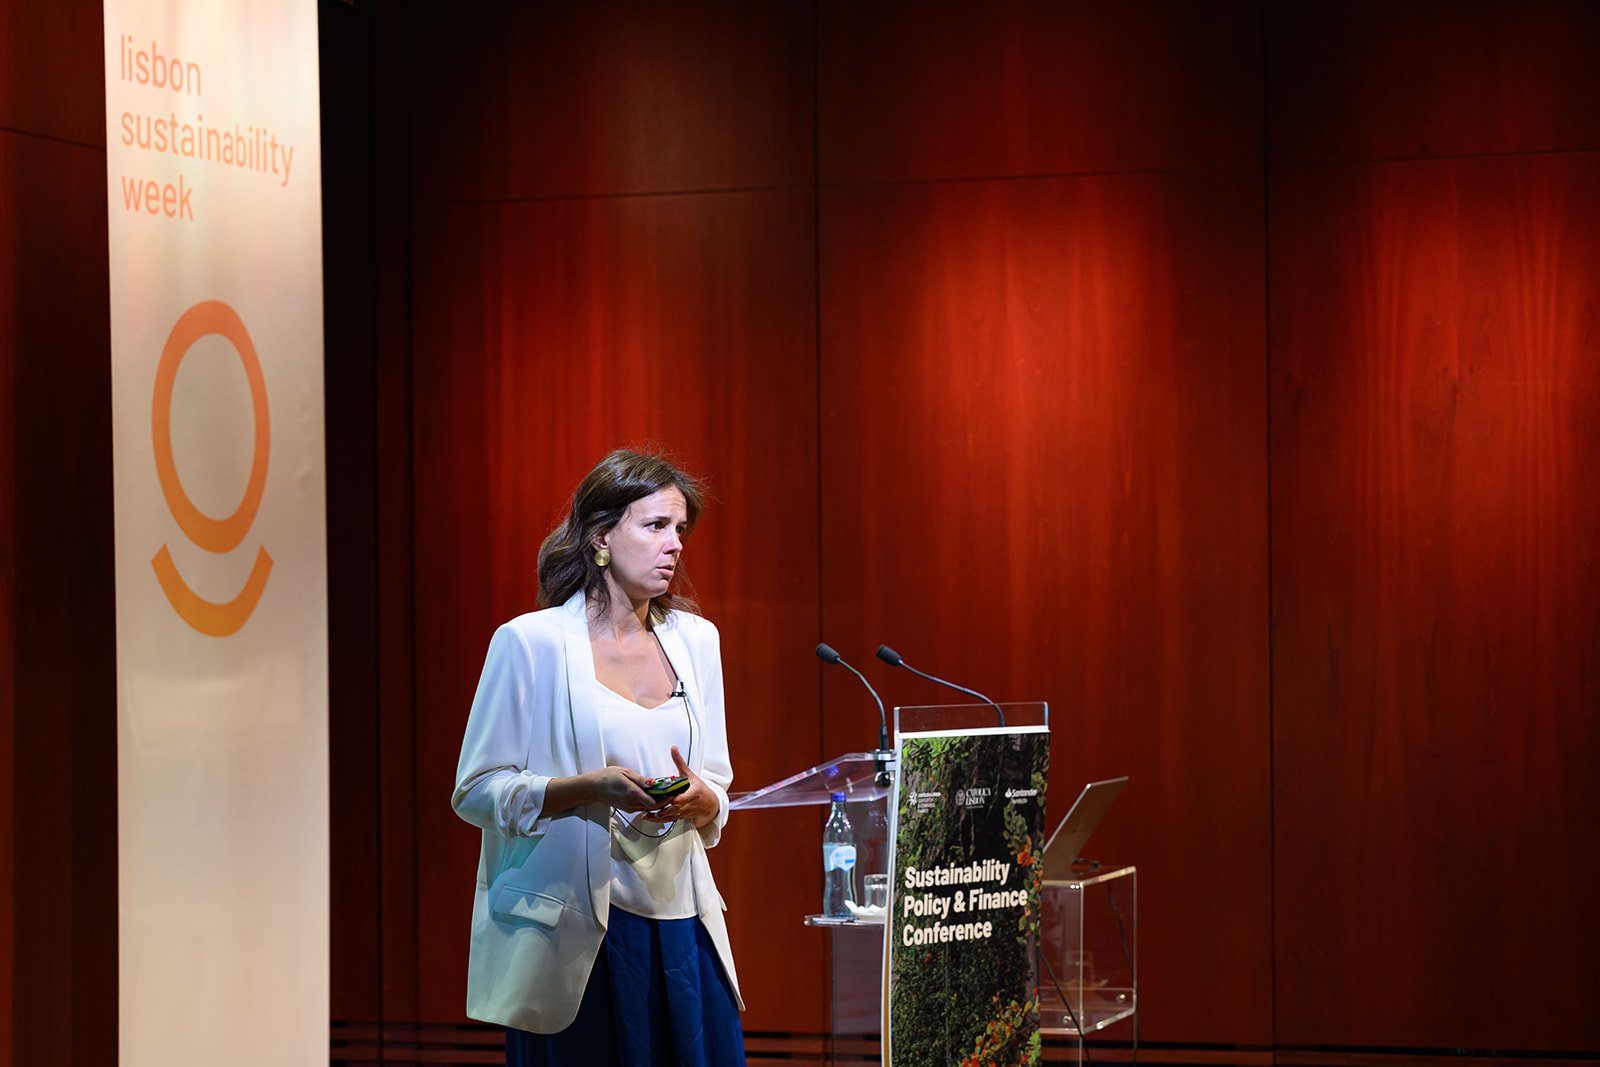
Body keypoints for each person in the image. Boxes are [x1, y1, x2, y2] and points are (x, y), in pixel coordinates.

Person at [452, 449, 745, 1066]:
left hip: (681, 922)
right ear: (601, 537)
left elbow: (717, 776)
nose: (675, 545)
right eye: (655, 526)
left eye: (681, 530)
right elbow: (476, 788)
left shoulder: (697, 641)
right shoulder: (529, 643)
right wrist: (588, 787)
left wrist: (703, 799)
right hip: (577, 930)